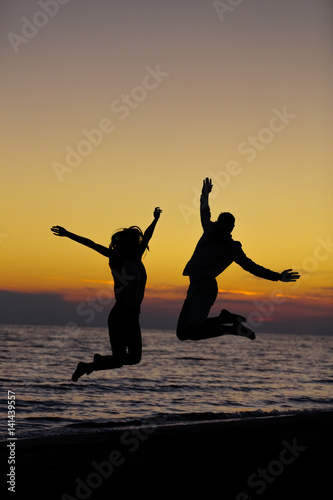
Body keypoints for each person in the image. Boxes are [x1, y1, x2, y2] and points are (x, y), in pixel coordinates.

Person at [176, 178, 300, 341]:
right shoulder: (209, 228)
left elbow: (252, 267)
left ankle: (233, 329)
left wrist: (277, 276)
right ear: (217, 224)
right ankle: (224, 319)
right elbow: (204, 210)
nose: (224, 230)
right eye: (222, 225)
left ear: (232, 228)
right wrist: (204, 194)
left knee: (192, 331)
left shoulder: (232, 248)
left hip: (205, 289)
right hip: (194, 284)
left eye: (228, 228)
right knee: (182, 333)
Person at [51, 207, 162, 382]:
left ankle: (89, 366)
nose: (126, 246)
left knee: (134, 359)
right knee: (119, 360)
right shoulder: (117, 259)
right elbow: (92, 245)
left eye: (129, 243)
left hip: (134, 315)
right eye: (122, 244)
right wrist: (68, 234)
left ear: (135, 243)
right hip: (120, 315)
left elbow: (147, 236)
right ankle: (89, 365)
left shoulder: (137, 258)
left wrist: (155, 220)